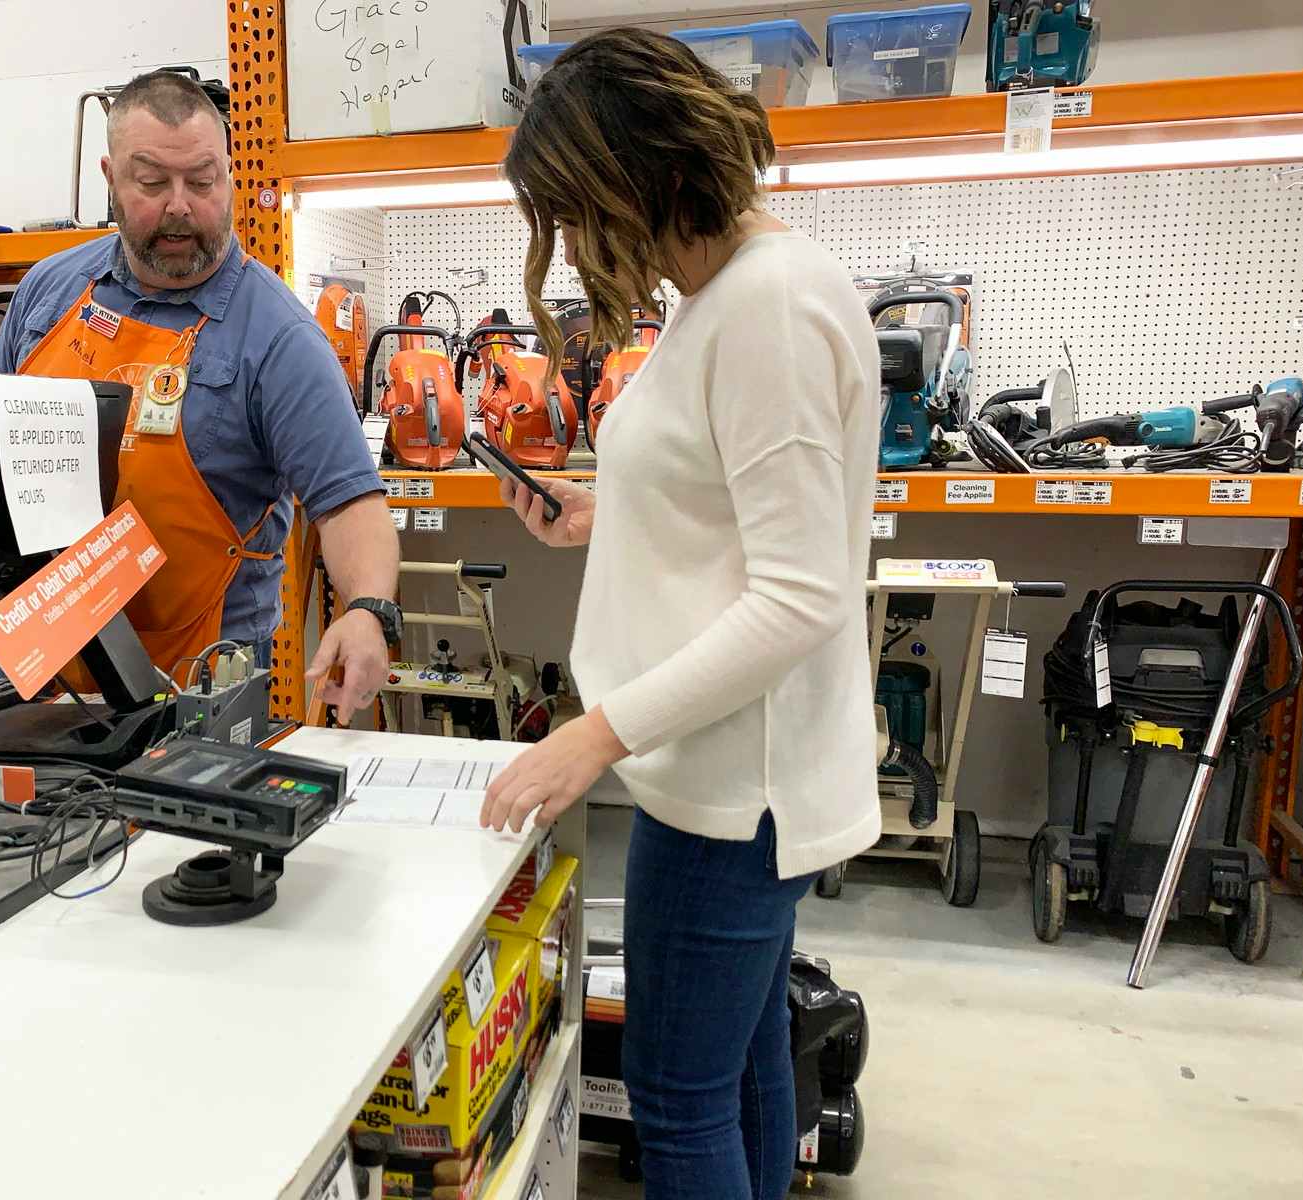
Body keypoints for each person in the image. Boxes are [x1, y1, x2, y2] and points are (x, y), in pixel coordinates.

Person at [477, 29, 882, 1200]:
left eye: (576, 214)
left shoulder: (767, 305)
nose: (576, 248)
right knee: (746, 1072)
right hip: (701, 774)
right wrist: (600, 514)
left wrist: (589, 738)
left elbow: (800, 596)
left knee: (677, 1097)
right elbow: (724, 508)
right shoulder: (722, 298)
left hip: (730, 793)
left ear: (636, 183)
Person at [0, 69, 399, 710]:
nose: (179, 204)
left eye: (202, 182)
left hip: (199, 691)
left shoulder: (278, 336)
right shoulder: (49, 292)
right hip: (39, 672)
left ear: (230, 177)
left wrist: (369, 611)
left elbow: (349, 501)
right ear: (111, 179)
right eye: (152, 182)